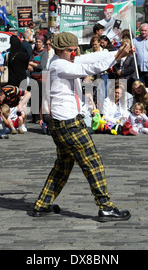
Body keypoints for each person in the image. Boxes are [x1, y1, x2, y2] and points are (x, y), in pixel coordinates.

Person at [32, 31, 132, 222]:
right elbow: (90, 68)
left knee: (63, 166)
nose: (74, 53)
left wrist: (117, 52)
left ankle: (42, 204)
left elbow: (92, 57)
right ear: (59, 50)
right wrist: (118, 56)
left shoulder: (66, 60)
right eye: (70, 50)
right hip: (69, 123)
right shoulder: (59, 64)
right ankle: (106, 207)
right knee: (93, 163)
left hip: (63, 123)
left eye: (75, 49)